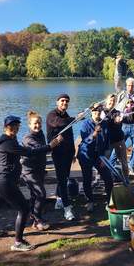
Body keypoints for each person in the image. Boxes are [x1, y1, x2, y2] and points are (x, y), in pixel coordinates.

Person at [0, 115, 61, 251]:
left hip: (3, 180)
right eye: (12, 127)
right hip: (6, 182)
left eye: (17, 127)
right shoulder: (8, 143)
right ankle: (18, 242)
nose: (15, 129)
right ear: (6, 127)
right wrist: (49, 147)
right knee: (23, 209)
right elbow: (29, 152)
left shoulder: (8, 140)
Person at [46, 93, 83, 221]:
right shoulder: (52, 115)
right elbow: (58, 123)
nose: (64, 103)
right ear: (57, 102)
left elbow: (70, 134)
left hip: (67, 153)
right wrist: (75, 119)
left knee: (64, 177)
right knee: (62, 180)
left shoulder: (66, 115)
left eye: (67, 101)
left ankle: (59, 199)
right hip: (58, 153)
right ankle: (67, 210)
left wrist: (73, 152)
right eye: (62, 101)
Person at [77, 103, 113, 213]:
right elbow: (85, 140)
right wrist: (94, 134)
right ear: (91, 112)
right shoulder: (85, 124)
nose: (97, 112)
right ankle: (90, 201)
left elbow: (107, 143)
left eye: (99, 110)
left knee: (108, 178)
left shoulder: (105, 124)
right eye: (94, 111)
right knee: (87, 178)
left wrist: (105, 158)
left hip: (100, 155)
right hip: (86, 155)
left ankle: (109, 201)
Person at [21, 111, 50, 230]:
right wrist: (51, 146)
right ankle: (38, 219)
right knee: (41, 194)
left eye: (39, 123)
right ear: (29, 125)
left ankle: (34, 219)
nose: (37, 125)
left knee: (34, 196)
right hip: (29, 172)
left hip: (39, 170)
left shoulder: (41, 133)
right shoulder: (28, 138)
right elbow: (39, 149)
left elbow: (43, 149)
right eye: (35, 123)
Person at [102, 94, 129, 179]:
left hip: (119, 140)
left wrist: (122, 118)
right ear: (107, 100)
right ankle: (104, 179)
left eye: (114, 101)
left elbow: (125, 117)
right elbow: (104, 121)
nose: (112, 102)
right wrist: (113, 120)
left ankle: (126, 179)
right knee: (104, 162)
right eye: (110, 100)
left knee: (124, 162)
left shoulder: (117, 112)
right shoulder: (102, 111)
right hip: (107, 142)